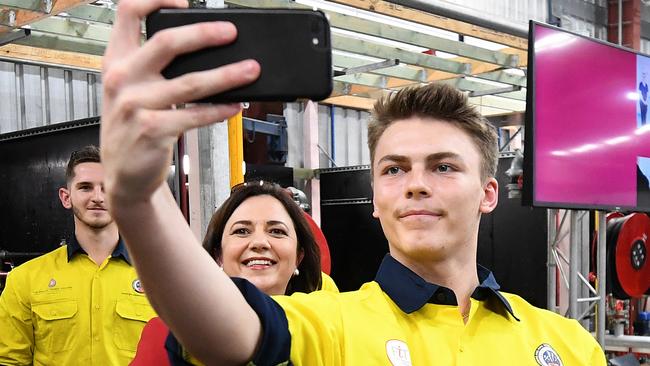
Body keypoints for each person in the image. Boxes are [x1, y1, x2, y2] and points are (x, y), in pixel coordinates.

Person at [100, 1, 606, 365]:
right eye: (393, 169)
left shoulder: (567, 345)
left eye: (444, 167)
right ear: (376, 201)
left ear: (488, 193)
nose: (415, 184)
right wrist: (140, 199)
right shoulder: (330, 324)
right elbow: (225, 336)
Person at [130, 181, 336, 365]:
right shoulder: (167, 334)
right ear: (218, 255)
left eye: (277, 231)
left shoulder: (327, 335)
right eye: (242, 231)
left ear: (298, 258)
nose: (259, 243)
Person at [0, 145, 157, 365]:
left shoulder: (161, 281)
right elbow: (10, 361)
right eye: (85, 187)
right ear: (66, 197)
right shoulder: (25, 280)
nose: (98, 197)